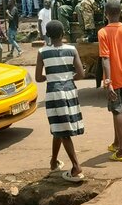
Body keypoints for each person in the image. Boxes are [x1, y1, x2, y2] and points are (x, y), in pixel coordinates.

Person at [35, 20, 85, 182]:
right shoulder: (72, 50)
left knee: (62, 130)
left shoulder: (42, 52)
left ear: (47, 35)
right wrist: (68, 77)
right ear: (63, 33)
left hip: (54, 93)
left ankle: (76, 167)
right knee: (59, 126)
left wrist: (50, 77)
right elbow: (81, 74)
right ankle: (53, 161)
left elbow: (38, 77)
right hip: (70, 91)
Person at [98, 0, 122, 162]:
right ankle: (116, 142)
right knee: (117, 111)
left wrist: (108, 82)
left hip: (113, 79)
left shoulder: (103, 32)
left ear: (106, 14)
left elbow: (105, 59)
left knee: (117, 110)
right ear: (120, 13)